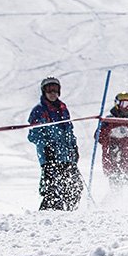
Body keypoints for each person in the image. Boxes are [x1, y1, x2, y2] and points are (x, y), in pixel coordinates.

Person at [27, 76, 83, 210]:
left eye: (55, 89)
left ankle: (70, 214)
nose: (52, 93)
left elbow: (69, 130)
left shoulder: (63, 109)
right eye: (49, 89)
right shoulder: (39, 110)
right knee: (52, 191)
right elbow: (33, 135)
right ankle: (47, 216)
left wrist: (74, 147)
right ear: (43, 91)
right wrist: (47, 146)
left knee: (74, 187)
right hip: (50, 157)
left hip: (66, 156)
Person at [97, 92, 128, 186]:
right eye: (124, 105)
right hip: (114, 164)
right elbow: (98, 137)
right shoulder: (109, 120)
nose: (127, 108)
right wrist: (108, 126)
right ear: (117, 104)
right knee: (117, 189)